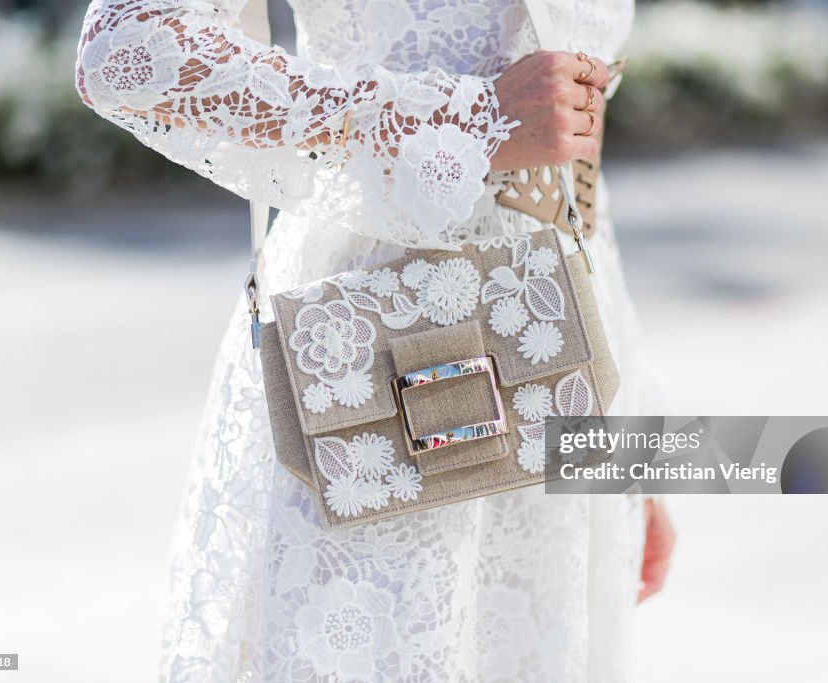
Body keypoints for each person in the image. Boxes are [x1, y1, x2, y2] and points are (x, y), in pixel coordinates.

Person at [75, 0, 675, 679]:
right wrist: (460, 119)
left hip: (552, 358)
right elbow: (124, 51)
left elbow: (571, 179)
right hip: (368, 374)